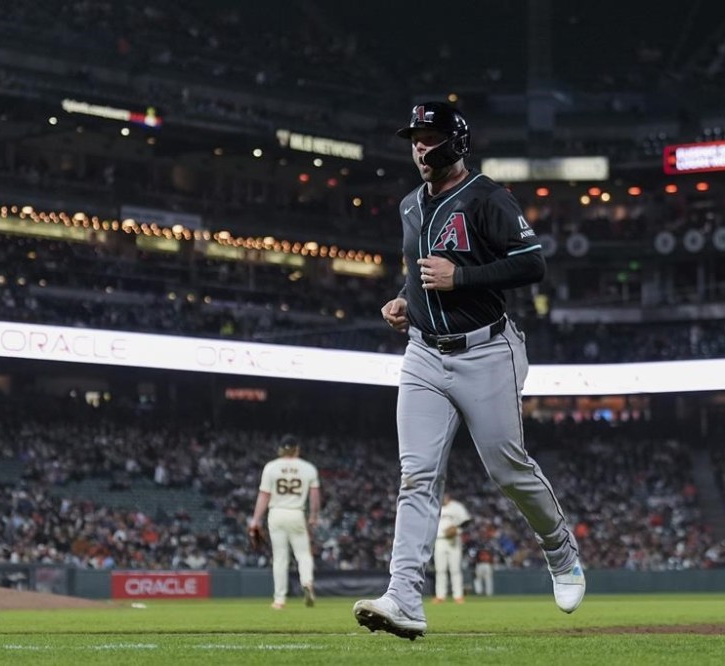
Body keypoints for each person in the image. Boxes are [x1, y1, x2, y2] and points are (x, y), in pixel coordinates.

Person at [353, 102, 585, 641]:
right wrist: (405, 301)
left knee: (507, 470)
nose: (419, 146)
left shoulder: (488, 197)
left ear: (456, 142)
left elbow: (532, 263)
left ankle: (561, 550)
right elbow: (420, 273)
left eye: (429, 136)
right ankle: (404, 597)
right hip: (423, 354)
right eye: (414, 136)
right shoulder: (410, 205)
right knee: (416, 476)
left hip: (485, 351)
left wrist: (463, 278)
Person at [249, 434, 320, 610]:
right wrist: (313, 517)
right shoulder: (308, 468)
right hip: (296, 512)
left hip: (277, 513)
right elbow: (315, 497)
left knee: (280, 557)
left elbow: (264, 495)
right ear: (297, 449)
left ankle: (279, 599)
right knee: (303, 554)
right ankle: (307, 582)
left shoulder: (271, 467)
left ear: (280, 449)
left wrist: (256, 520)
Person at [432, 492, 471, 604]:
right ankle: (440, 596)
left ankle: (458, 596)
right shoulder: (435, 506)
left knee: (455, 569)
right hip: (439, 540)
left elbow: (466, 521)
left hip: (454, 540)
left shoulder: (456, 506)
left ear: (448, 496)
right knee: (440, 570)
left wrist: (456, 528)